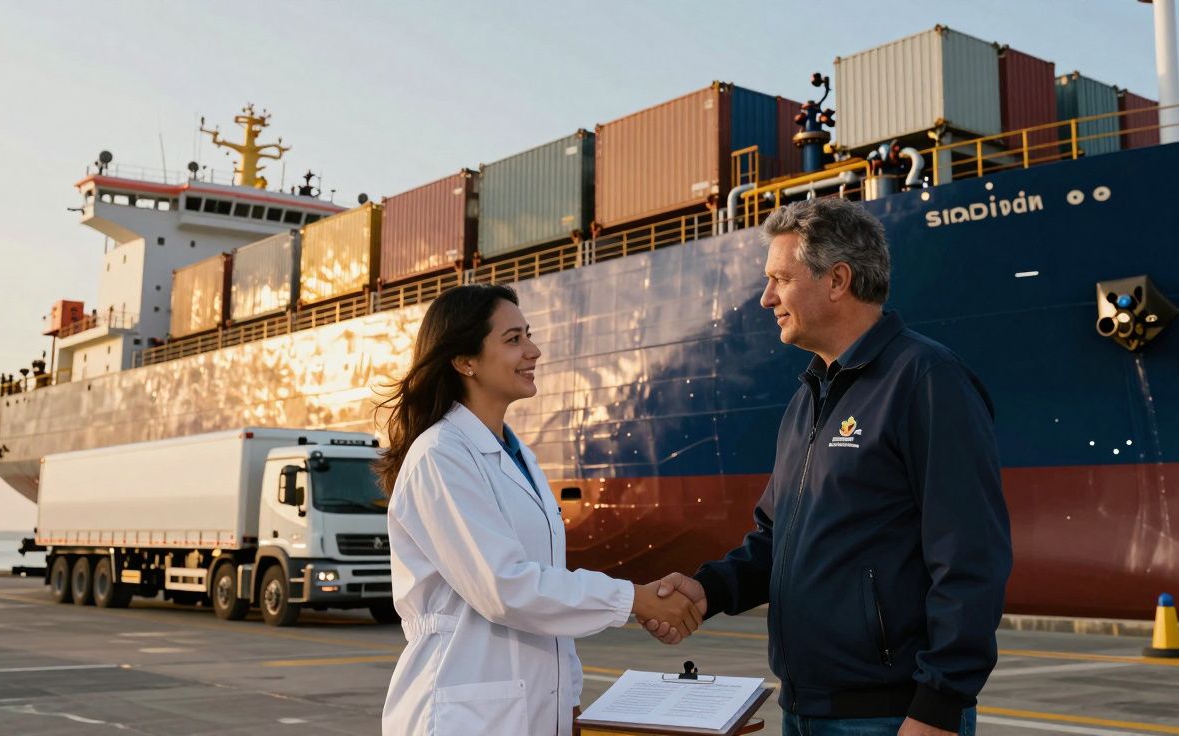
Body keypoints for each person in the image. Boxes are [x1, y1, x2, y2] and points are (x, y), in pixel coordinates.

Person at [642, 198, 1012, 736]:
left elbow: (970, 555)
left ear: (837, 279)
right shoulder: (810, 397)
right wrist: (710, 590)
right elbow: (777, 538)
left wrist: (939, 706)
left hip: (892, 716)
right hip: (806, 711)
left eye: (779, 280)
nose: (766, 298)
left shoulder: (926, 380)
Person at [378, 284, 703, 736]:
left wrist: (566, 700)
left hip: (529, 714)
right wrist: (634, 598)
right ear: (464, 360)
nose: (534, 350)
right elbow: (504, 588)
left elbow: (545, 593)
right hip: (461, 714)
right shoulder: (440, 454)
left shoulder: (519, 456)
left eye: (527, 335)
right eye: (513, 339)